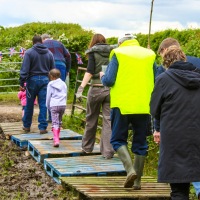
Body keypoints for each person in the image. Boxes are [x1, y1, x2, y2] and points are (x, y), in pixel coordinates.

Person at [100, 33, 156, 188]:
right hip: (144, 105)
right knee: (140, 141)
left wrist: (102, 76)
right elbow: (156, 78)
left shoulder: (118, 53)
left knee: (117, 139)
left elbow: (110, 80)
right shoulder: (150, 54)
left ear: (120, 43)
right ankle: (137, 182)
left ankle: (130, 170)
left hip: (122, 104)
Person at [150, 45, 200, 200]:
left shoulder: (163, 80)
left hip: (174, 139)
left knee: (178, 190)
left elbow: (154, 110)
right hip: (197, 135)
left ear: (166, 63)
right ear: (184, 58)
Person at [76, 33, 115, 159]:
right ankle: (108, 152)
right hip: (109, 89)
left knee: (91, 119)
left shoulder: (93, 53)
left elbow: (90, 72)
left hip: (96, 89)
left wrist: (81, 88)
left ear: (93, 42)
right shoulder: (113, 52)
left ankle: (87, 148)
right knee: (108, 121)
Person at [19, 35, 55, 134]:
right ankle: (43, 127)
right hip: (45, 80)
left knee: (29, 104)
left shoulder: (29, 52)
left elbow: (24, 69)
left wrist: (22, 82)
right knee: (44, 104)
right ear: (42, 42)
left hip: (32, 80)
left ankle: (26, 126)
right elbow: (53, 69)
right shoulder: (49, 53)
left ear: (33, 42)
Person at [41, 33, 71, 122]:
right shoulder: (59, 43)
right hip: (62, 65)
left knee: (50, 91)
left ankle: (51, 117)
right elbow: (68, 56)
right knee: (59, 90)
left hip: (50, 66)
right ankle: (59, 118)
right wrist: (67, 69)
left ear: (43, 39)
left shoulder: (42, 44)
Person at [46, 68, 67, 147]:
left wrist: (48, 105)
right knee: (59, 121)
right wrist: (64, 104)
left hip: (54, 105)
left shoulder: (50, 84)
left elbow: (48, 96)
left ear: (51, 76)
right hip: (62, 105)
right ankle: (57, 137)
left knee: (54, 122)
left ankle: (56, 140)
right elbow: (66, 95)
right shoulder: (63, 84)